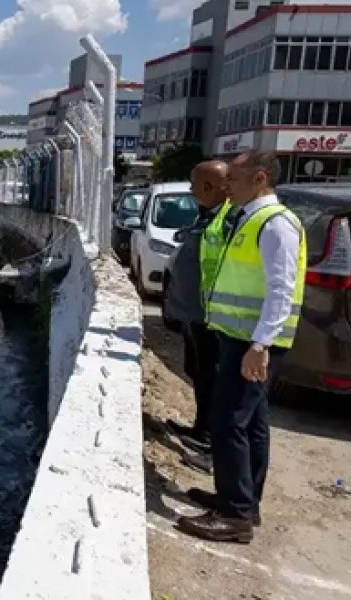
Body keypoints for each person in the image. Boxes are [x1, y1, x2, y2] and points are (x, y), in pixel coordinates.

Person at [176, 151, 306, 544]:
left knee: (229, 419)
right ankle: (244, 500)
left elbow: (281, 290)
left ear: (260, 178)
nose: (226, 184)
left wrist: (261, 344)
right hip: (241, 337)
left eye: (234, 177)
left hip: (254, 341)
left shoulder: (276, 223)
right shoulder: (250, 217)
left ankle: (235, 515)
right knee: (251, 421)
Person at [162, 160, 230, 472]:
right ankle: (201, 430)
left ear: (210, 186)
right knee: (198, 371)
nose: (191, 190)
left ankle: (214, 447)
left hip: (212, 316)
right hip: (195, 313)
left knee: (214, 380)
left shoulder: (228, 220)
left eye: (195, 185)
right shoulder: (208, 216)